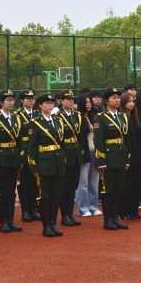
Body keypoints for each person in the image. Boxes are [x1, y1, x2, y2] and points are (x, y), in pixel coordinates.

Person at [28, 93, 66, 237]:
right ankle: (46, 226)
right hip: (44, 163)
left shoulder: (57, 121)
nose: (50, 105)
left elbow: (61, 143)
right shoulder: (35, 123)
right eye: (47, 103)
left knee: (56, 196)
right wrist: (34, 167)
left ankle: (53, 224)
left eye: (51, 103)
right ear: (40, 105)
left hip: (58, 163)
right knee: (45, 196)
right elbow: (32, 148)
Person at [94, 88, 131, 230]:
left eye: (118, 98)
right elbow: (98, 141)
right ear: (106, 101)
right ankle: (108, 219)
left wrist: (127, 159)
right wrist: (101, 161)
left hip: (120, 157)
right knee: (107, 190)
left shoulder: (123, 117)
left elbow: (127, 139)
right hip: (108, 158)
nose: (117, 100)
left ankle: (116, 217)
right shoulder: (101, 118)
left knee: (118, 189)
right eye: (114, 98)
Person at [0, 89, 23, 233]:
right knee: (2, 191)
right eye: (7, 100)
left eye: (12, 100)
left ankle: (10, 220)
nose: (10, 103)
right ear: (1, 102)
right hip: (2, 157)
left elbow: (19, 140)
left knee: (11, 191)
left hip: (14, 157)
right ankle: (3, 221)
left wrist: (20, 158)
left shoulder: (16, 118)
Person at [55, 90, 83, 227]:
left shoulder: (77, 116)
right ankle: (65, 215)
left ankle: (70, 213)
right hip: (65, 152)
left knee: (73, 186)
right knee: (64, 186)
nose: (71, 101)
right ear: (60, 101)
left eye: (72, 99)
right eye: (67, 99)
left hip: (75, 151)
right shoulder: (57, 116)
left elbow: (80, 135)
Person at [75, 94, 101, 217]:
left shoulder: (93, 117)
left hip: (94, 151)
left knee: (94, 181)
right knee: (83, 182)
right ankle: (83, 208)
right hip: (84, 152)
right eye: (86, 102)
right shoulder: (78, 118)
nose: (89, 104)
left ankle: (93, 206)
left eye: (90, 102)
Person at [16, 89, 40, 222]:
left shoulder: (37, 114)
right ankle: (25, 210)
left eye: (33, 98)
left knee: (34, 182)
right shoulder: (17, 115)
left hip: (36, 152)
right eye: (28, 98)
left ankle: (33, 209)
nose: (31, 101)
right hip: (24, 152)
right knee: (24, 183)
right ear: (21, 100)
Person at [120, 91, 141, 220]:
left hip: (137, 155)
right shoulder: (121, 118)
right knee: (127, 185)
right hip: (126, 156)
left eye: (133, 101)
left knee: (137, 184)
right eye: (128, 101)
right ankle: (125, 211)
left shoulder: (135, 118)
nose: (131, 104)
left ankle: (134, 209)